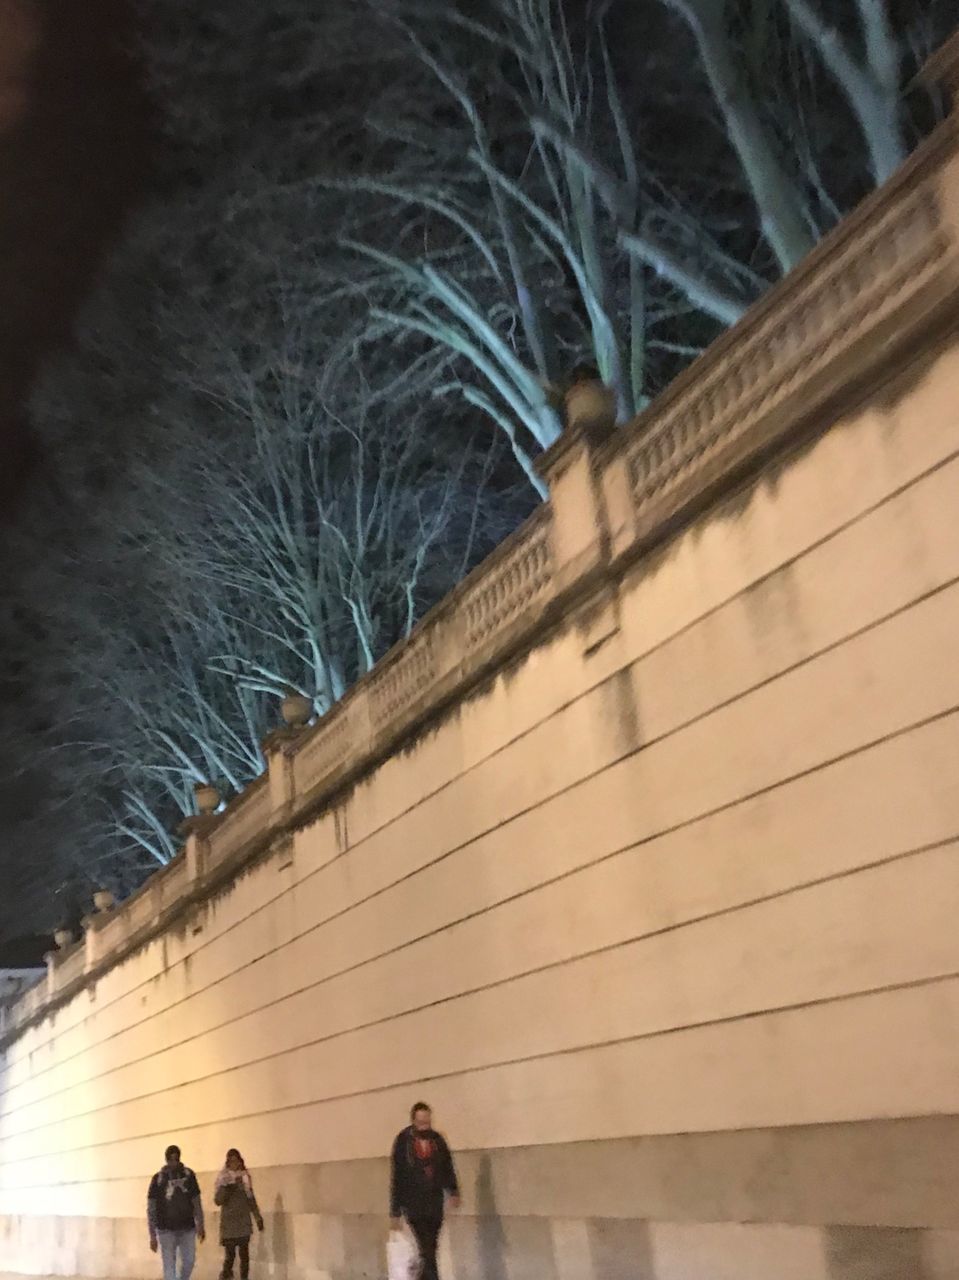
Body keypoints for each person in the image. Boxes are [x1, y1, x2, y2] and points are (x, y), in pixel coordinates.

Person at [389, 1102, 460, 1280]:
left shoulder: (437, 1140)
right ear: (413, 1121)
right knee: (426, 1247)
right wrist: (395, 1211)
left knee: (430, 1247)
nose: (424, 1126)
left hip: (434, 1202)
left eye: (427, 1122)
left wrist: (453, 1191)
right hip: (413, 1204)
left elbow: (446, 1166)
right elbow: (397, 1176)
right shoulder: (403, 1142)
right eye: (420, 1122)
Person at [148, 1144, 205, 1280]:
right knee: (169, 1267)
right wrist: (152, 1235)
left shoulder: (189, 1175)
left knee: (189, 1262)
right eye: (171, 1159)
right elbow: (151, 1207)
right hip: (165, 1229)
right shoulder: (158, 1179)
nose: (173, 1162)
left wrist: (200, 1224)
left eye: (176, 1159)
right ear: (166, 1160)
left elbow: (196, 1201)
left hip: (187, 1227)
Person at [214, 1148, 264, 1280]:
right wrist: (229, 1187)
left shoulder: (245, 1177)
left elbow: (251, 1199)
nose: (234, 1164)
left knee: (244, 1257)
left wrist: (258, 1217)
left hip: (243, 1224)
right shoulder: (223, 1178)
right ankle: (225, 1276)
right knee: (230, 1257)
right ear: (228, 1163)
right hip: (229, 1225)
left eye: (237, 1161)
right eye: (231, 1161)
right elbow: (218, 1201)